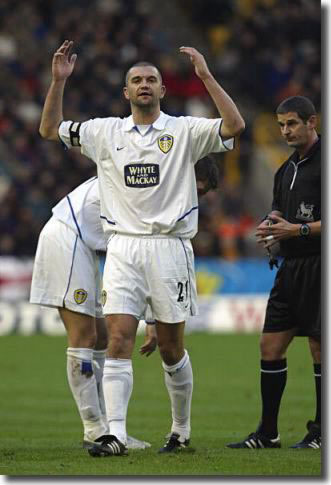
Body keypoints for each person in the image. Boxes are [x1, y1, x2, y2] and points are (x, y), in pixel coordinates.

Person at [39, 39, 245, 456]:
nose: (144, 85)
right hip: (122, 248)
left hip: (169, 247)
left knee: (171, 347)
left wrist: (205, 76)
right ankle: (113, 434)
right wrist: (58, 82)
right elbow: (48, 130)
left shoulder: (185, 131)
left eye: (152, 79)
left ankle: (180, 430)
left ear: (163, 90)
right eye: (136, 80)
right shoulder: (104, 132)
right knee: (117, 340)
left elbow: (235, 126)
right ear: (126, 92)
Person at [30, 176, 155, 451]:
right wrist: (153, 318)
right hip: (68, 238)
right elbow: (140, 253)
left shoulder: (136, 172)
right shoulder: (141, 181)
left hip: (82, 244)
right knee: (83, 338)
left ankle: (108, 428)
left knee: (100, 337)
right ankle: (94, 429)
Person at [227, 96, 321, 450]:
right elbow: (279, 212)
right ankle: (268, 433)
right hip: (291, 268)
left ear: (313, 121)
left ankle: (320, 432)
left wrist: (294, 231)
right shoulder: (285, 170)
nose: (285, 131)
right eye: (281, 125)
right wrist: (270, 227)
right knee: (270, 345)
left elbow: (300, 225)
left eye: (292, 123)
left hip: (319, 265)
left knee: (318, 347)